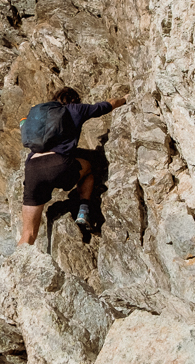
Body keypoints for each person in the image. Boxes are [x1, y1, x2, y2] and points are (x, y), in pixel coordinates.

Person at [17, 86, 127, 246]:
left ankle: (18, 267)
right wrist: (125, 98)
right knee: (88, 168)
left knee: (28, 233)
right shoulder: (75, 109)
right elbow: (107, 105)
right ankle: (84, 209)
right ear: (75, 99)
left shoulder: (40, 116)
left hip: (33, 169)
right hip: (59, 164)